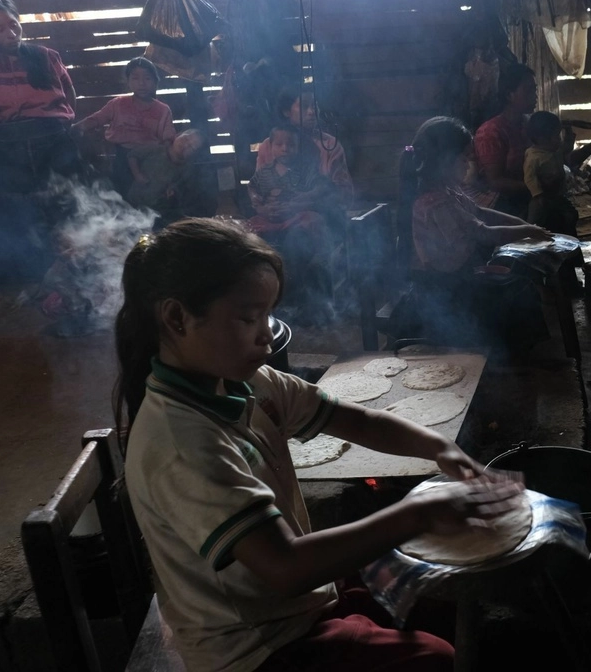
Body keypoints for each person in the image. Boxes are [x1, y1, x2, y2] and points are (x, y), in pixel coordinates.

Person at [114, 217, 524, 672]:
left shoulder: (250, 384)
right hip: (254, 647)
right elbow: (285, 567)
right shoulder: (181, 443)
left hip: (296, 606)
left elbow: (358, 420)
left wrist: (440, 449)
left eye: (267, 315)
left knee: (438, 597)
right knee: (435, 658)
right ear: (177, 317)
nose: (266, 335)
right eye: (248, 318)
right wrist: (421, 513)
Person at [398, 116, 551, 358]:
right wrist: (529, 232)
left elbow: (480, 212)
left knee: (517, 277)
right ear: (444, 160)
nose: (469, 165)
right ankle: (507, 360)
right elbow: (483, 232)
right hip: (443, 288)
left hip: (459, 275)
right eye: (465, 158)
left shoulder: (449, 190)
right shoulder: (433, 202)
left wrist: (524, 224)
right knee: (518, 291)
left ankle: (515, 354)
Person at [0, 0, 84, 281]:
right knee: (21, 211)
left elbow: (69, 94)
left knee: (65, 205)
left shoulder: (45, 56)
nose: (10, 34)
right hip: (8, 145)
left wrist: (65, 124)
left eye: (13, 25)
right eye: (0, 30)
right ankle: (36, 275)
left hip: (52, 139)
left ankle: (75, 270)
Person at [247, 123, 336, 316]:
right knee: (253, 239)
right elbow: (252, 189)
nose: (285, 148)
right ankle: (270, 298)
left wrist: (299, 201)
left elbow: (321, 187)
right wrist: (260, 206)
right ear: (271, 147)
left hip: (297, 217)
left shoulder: (306, 170)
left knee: (299, 238)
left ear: (297, 147)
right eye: (279, 144)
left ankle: (302, 300)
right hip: (270, 219)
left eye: (290, 145)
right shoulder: (264, 173)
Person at [75, 56, 176, 196]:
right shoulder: (117, 104)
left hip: (149, 160)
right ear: (128, 81)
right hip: (119, 158)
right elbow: (96, 119)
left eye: (147, 78)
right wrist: (77, 128)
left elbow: (168, 141)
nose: (142, 83)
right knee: (121, 196)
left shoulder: (163, 110)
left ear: (155, 82)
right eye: (135, 78)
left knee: (148, 197)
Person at [255, 89, 353, 210]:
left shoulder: (329, 145)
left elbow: (344, 193)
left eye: (314, 105)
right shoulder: (269, 146)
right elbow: (260, 190)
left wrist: (312, 202)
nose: (312, 112)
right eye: (304, 106)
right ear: (286, 111)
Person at [466, 63, 536, 216]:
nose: (535, 95)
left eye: (534, 90)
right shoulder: (491, 132)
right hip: (497, 203)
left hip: (524, 195)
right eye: (528, 90)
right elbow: (494, 182)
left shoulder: (528, 125)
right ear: (509, 95)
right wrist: (535, 188)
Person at [126, 129, 206, 225]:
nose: (185, 145)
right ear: (177, 135)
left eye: (191, 147)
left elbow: (181, 184)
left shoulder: (187, 168)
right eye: (185, 138)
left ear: (193, 154)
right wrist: (137, 174)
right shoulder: (156, 149)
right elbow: (132, 155)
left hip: (159, 209)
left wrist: (173, 189)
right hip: (135, 200)